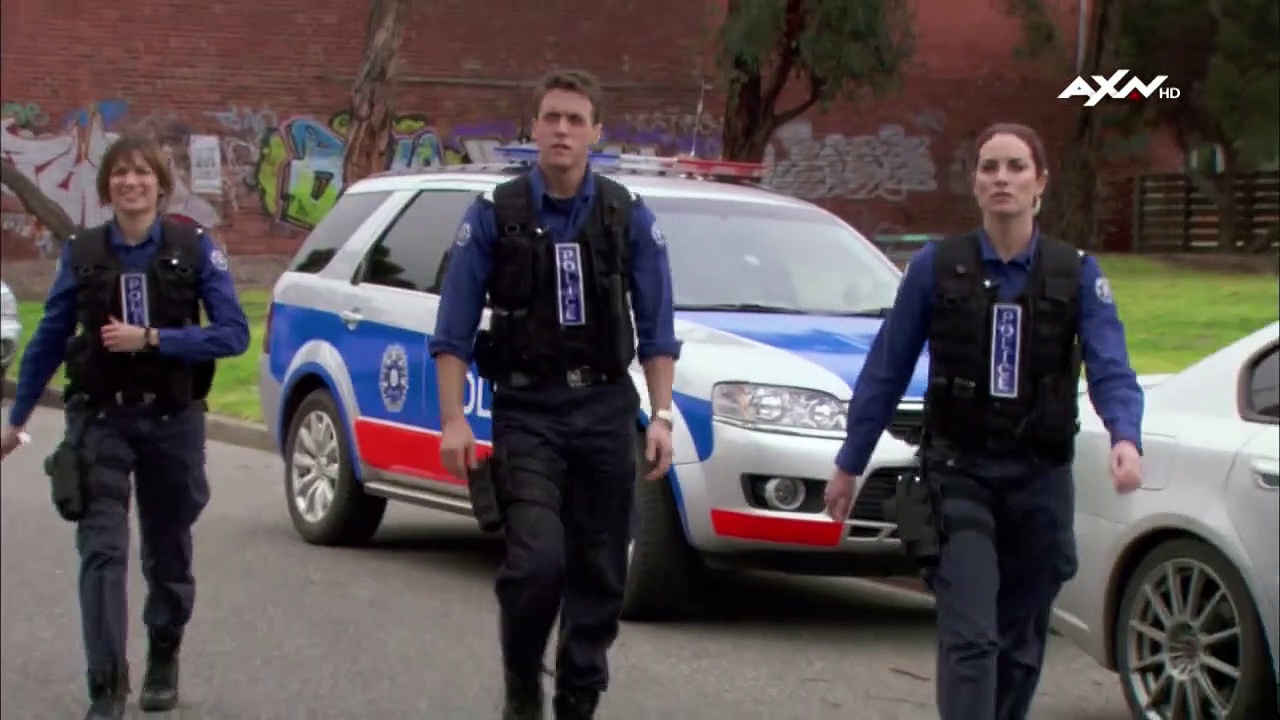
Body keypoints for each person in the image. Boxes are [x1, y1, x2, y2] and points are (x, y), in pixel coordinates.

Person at [823, 122, 1145, 720]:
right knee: (971, 635)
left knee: (1019, 642)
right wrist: (850, 462)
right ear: (974, 183)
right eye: (989, 167)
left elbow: (1111, 366)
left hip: (1039, 479)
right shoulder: (937, 267)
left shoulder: (1075, 273)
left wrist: (1125, 435)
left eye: (1016, 167)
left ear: (1040, 182)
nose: (1002, 178)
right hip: (959, 473)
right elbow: (887, 368)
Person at [428, 69, 681, 720]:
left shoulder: (626, 215)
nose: (562, 130)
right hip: (528, 412)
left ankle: (577, 699)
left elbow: (658, 327)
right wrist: (453, 419)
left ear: (596, 133)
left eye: (575, 120)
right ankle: (521, 684)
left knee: (601, 572)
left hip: (605, 410)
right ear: (534, 129)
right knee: (535, 563)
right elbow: (453, 328)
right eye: (551, 118)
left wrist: (661, 415)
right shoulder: (497, 214)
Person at [0, 135, 251, 719]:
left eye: (141, 173)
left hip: (171, 419)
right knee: (102, 551)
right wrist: (16, 420)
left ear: (160, 186)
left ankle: (164, 650)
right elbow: (48, 339)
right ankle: (106, 688)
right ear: (107, 186)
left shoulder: (193, 248)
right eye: (119, 173)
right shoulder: (82, 252)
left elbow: (234, 333)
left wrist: (156, 339)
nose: (130, 182)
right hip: (102, 418)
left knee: (168, 548)